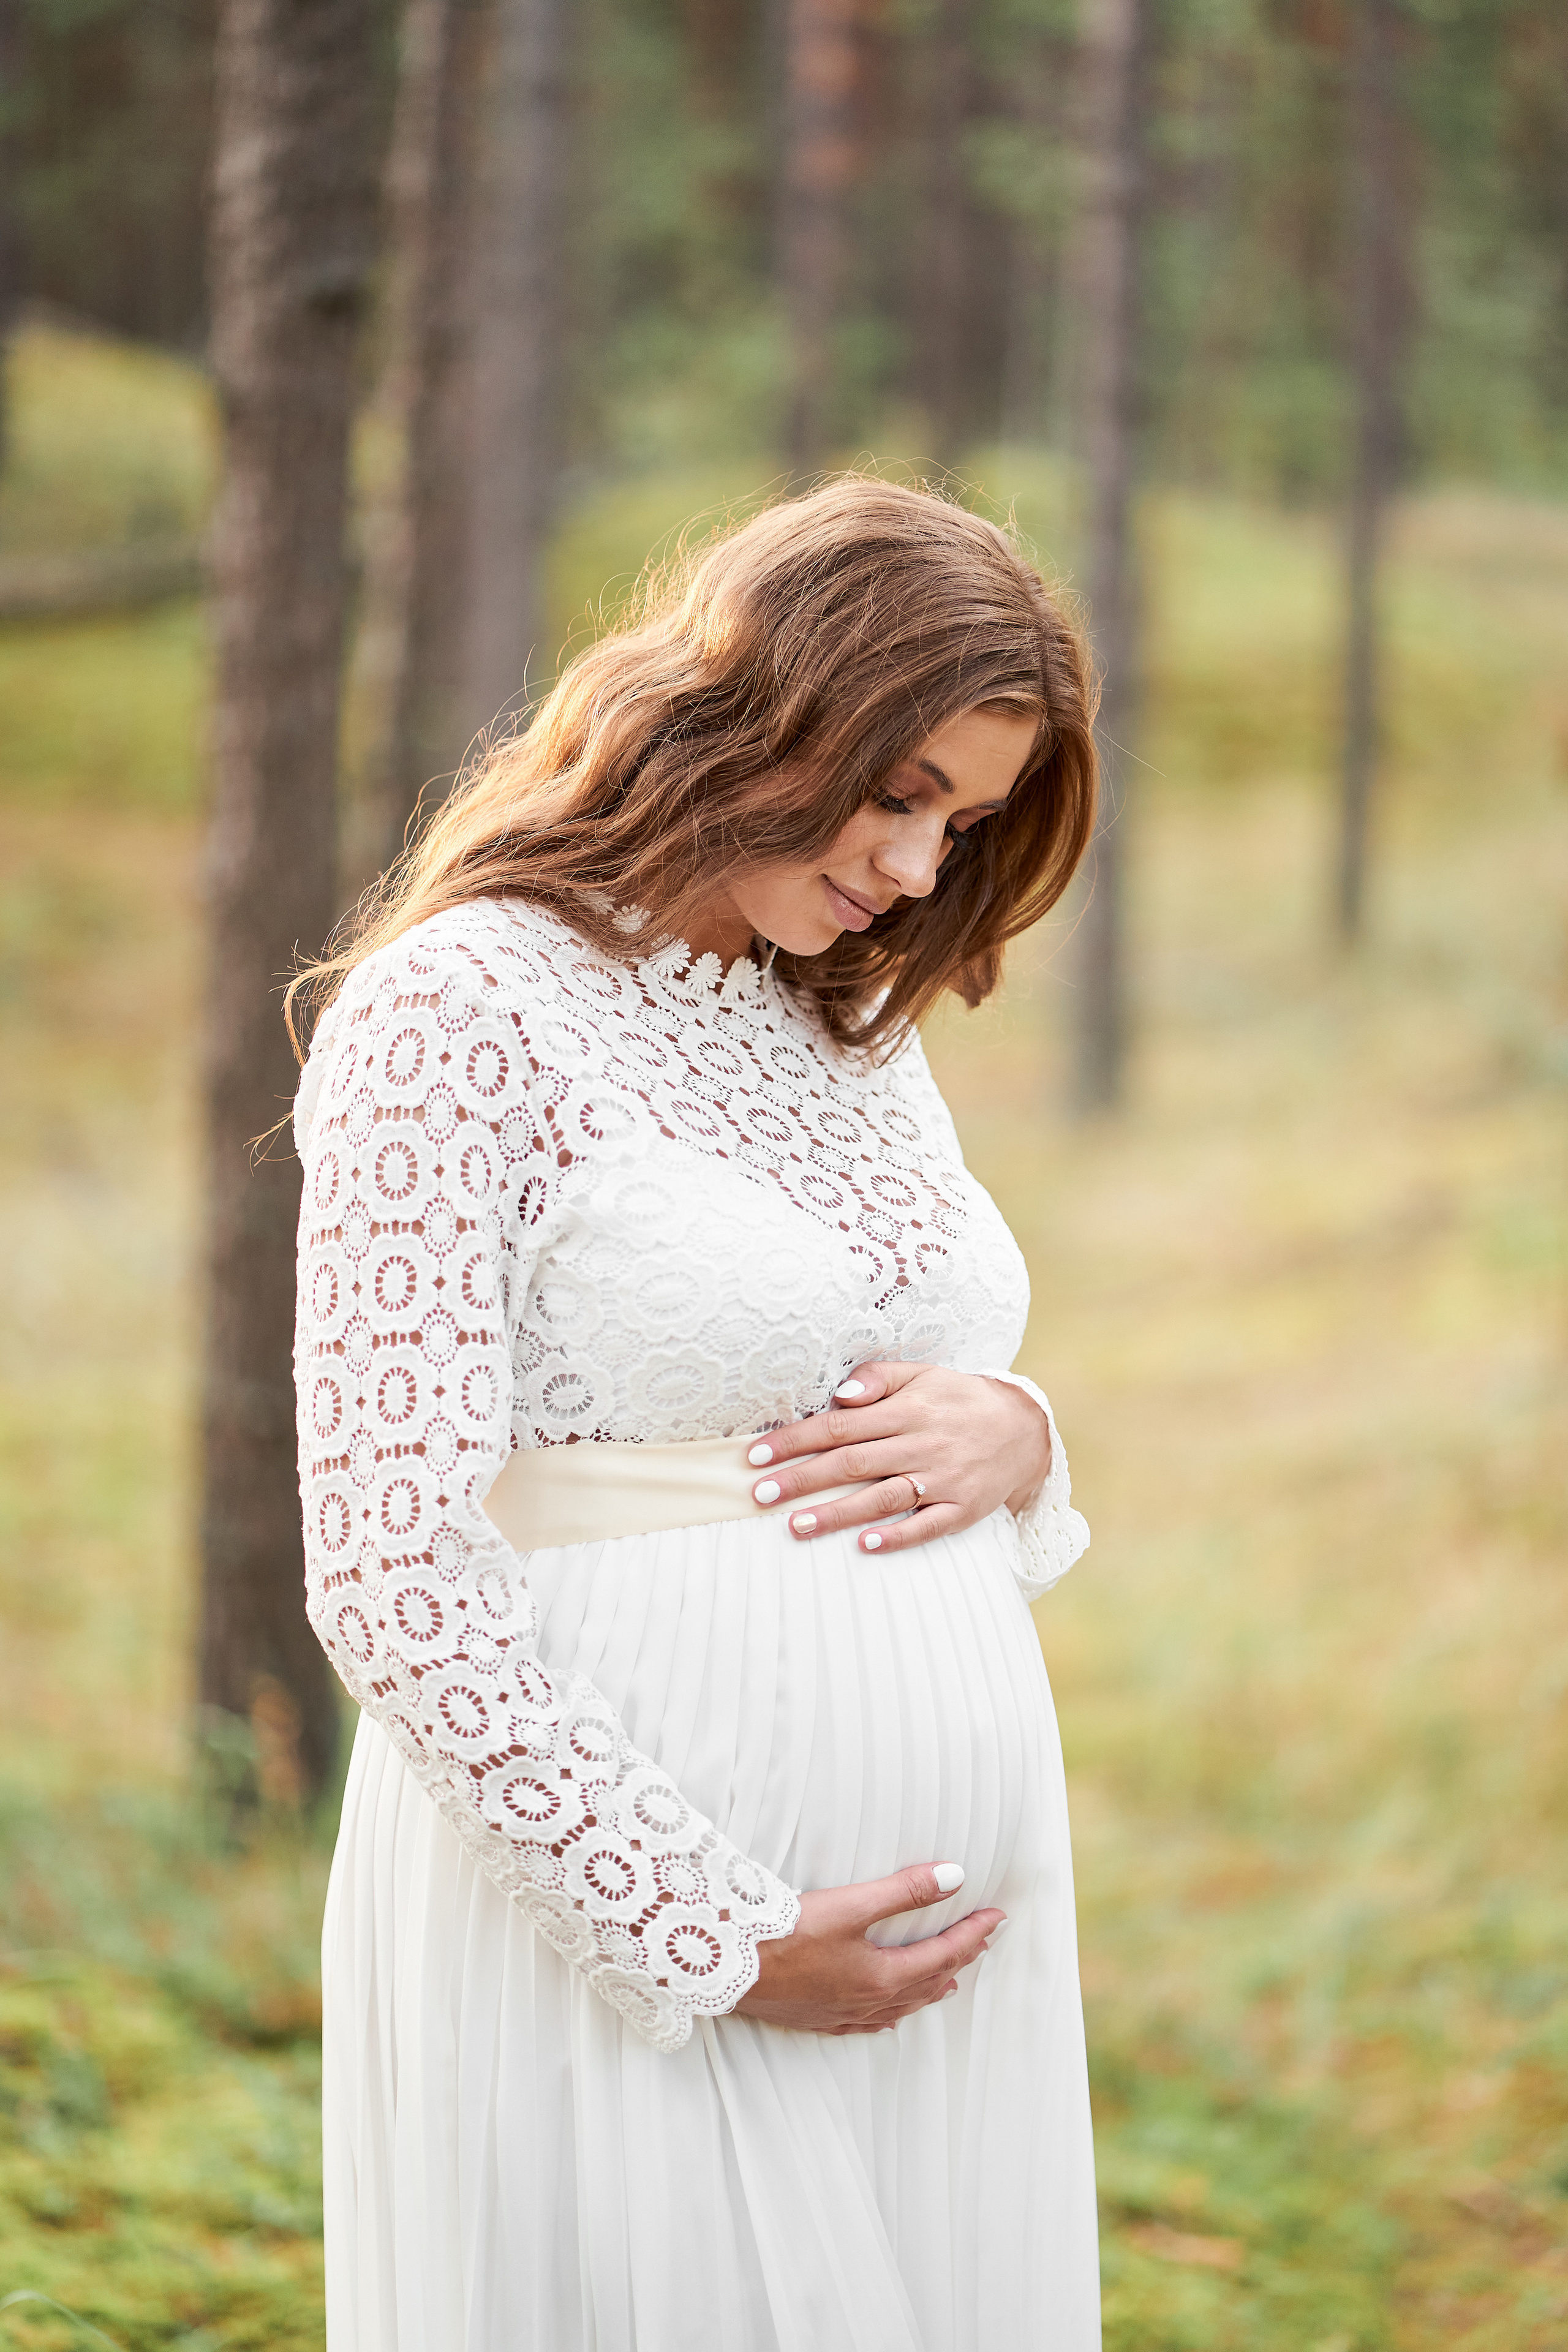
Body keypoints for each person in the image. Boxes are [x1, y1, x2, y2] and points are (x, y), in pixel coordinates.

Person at [291, 478, 1101, 2350]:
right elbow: (389, 1570)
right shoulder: (461, 1009)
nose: (918, 869)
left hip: (932, 1976)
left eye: (961, 823)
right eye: (898, 793)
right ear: (763, 708)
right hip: (630, 1942)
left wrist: (1027, 1434)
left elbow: (891, 1377)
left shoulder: (842, 1026)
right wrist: (709, 1935)